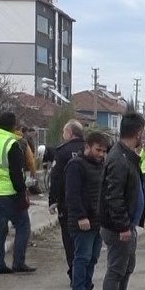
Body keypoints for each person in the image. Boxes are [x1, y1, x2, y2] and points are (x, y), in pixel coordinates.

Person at [98, 113, 145, 290]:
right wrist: (121, 226)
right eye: (143, 132)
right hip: (118, 227)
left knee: (127, 266)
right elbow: (113, 196)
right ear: (137, 133)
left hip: (128, 225)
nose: (144, 136)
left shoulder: (128, 155)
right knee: (117, 268)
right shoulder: (118, 159)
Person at [0, 111, 35, 274]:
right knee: (23, 226)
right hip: (10, 191)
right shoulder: (12, 143)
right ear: (14, 126)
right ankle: (18, 262)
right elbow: (16, 173)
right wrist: (22, 193)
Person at [64, 131, 110, 290]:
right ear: (87, 147)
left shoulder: (100, 165)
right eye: (98, 150)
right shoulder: (76, 166)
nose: (101, 154)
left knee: (92, 258)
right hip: (82, 221)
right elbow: (72, 195)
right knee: (81, 258)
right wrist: (81, 216)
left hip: (97, 221)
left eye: (103, 151)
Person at [47, 119, 85, 280]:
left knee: (69, 240)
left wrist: (53, 200)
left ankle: (74, 273)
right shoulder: (89, 148)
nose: (63, 135)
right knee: (85, 242)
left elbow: (55, 178)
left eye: (64, 132)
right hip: (89, 203)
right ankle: (82, 275)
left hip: (67, 202)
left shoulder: (62, 152)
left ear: (70, 133)